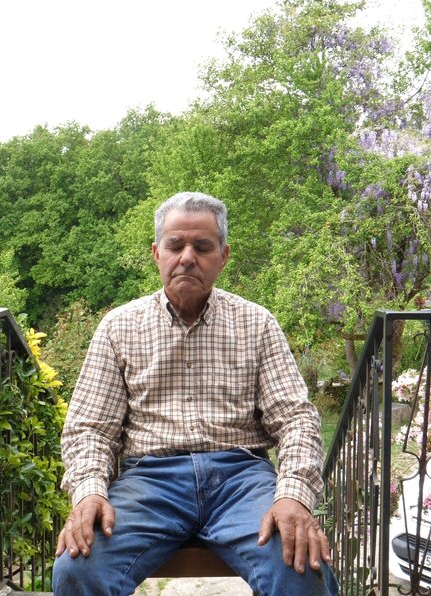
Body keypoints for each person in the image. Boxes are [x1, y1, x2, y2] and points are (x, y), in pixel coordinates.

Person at [51, 191, 338, 595]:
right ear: (157, 253)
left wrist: (293, 495)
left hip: (241, 479)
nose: (187, 257)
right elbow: (90, 428)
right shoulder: (119, 327)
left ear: (223, 256)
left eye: (202, 247)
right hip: (149, 482)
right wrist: (89, 493)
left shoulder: (257, 324)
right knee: (78, 568)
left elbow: (296, 419)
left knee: (301, 567)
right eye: (175, 245)